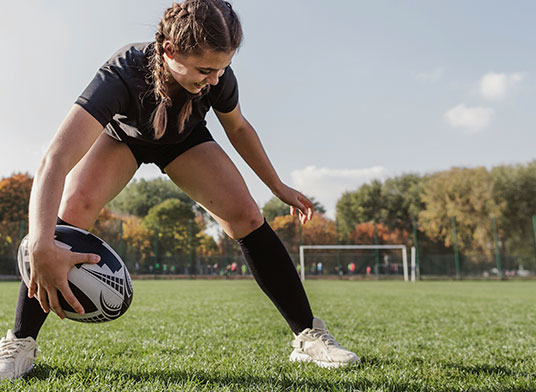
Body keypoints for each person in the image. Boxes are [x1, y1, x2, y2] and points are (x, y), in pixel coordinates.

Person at [0, 0, 358, 379]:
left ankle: (308, 335)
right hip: (126, 137)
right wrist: (41, 244)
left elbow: (238, 128)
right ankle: (20, 342)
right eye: (206, 70)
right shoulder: (122, 75)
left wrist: (277, 185)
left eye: (223, 69)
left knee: (247, 216)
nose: (215, 80)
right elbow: (54, 159)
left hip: (184, 139)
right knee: (72, 211)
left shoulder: (218, 77)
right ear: (170, 51)